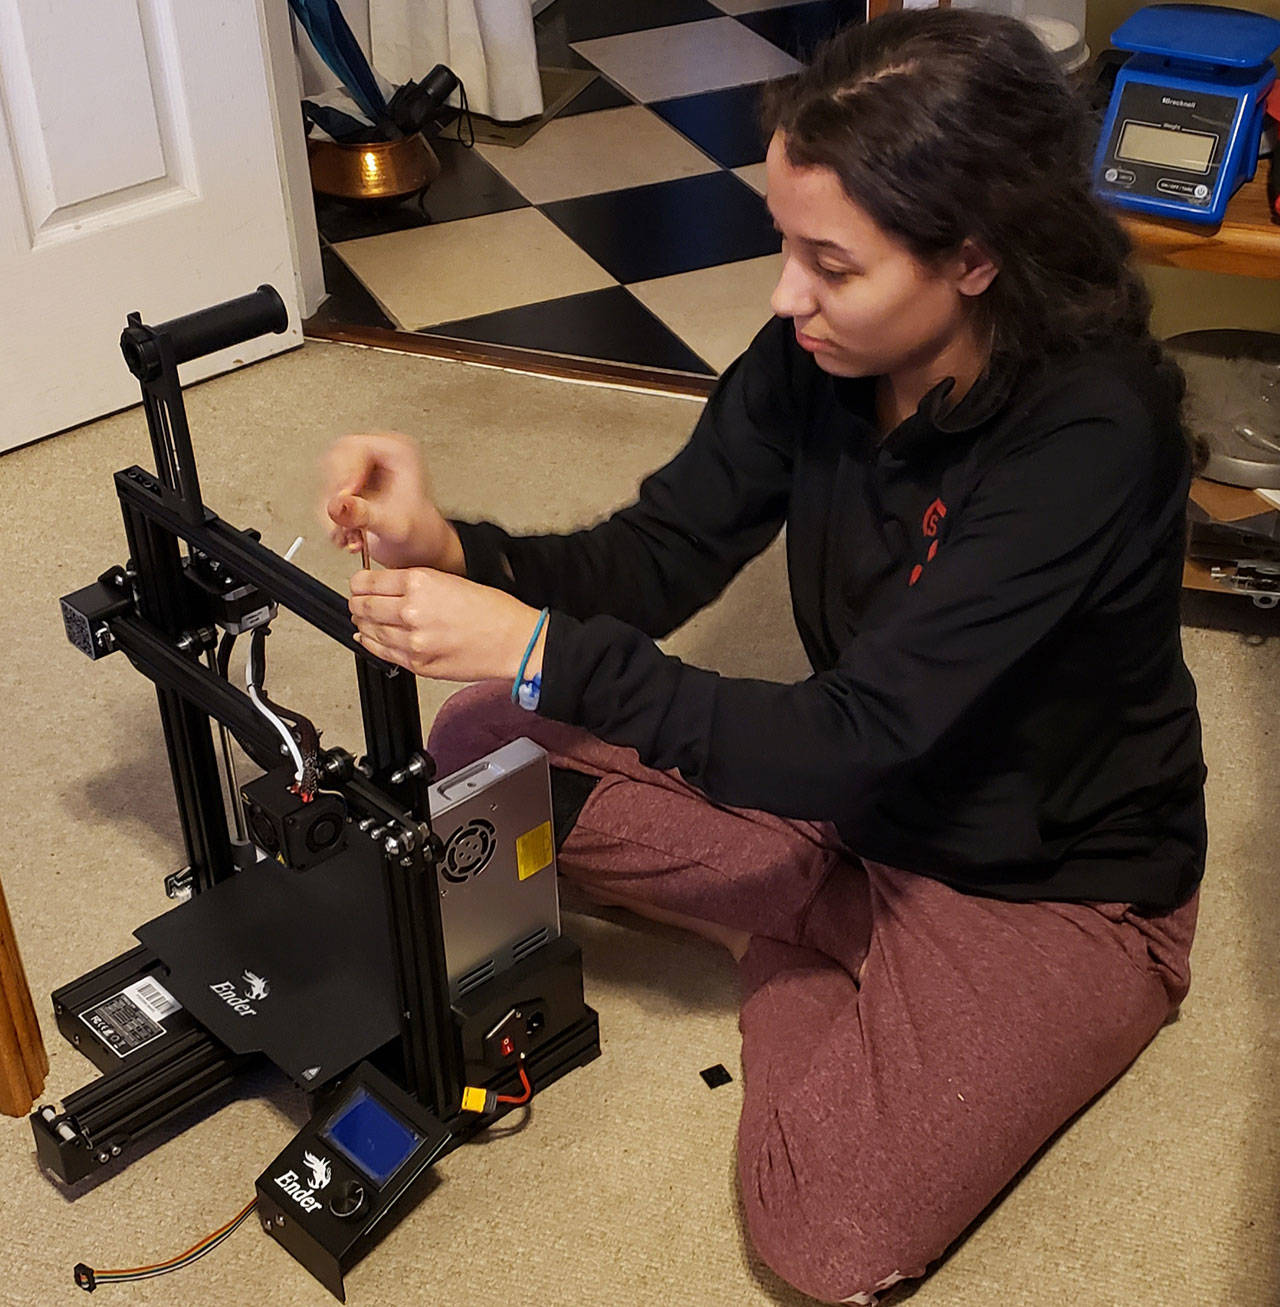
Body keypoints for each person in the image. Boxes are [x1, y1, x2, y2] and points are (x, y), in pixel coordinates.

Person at [317, 9, 1206, 1303]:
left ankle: (785, 942)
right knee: (476, 746)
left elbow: (851, 737)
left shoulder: (1091, 436)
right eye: (789, 246)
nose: (788, 297)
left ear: (971, 260)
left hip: (1048, 882)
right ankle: (823, 910)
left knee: (825, 1234)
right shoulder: (820, 355)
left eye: (830, 263)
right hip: (851, 794)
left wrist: (548, 651)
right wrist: (453, 543)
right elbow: (657, 553)